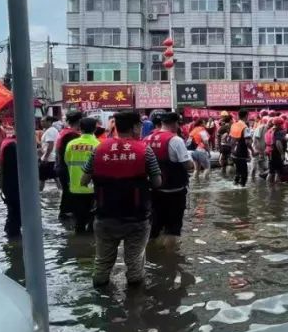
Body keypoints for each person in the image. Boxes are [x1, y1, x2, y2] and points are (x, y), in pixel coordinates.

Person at [82, 111, 161, 287]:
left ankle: (101, 303)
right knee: (134, 265)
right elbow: (157, 182)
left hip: (105, 216)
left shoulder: (99, 149)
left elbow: (84, 180)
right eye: (140, 125)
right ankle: (135, 307)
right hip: (136, 217)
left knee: (102, 264)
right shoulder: (145, 151)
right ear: (134, 127)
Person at [145, 111, 194, 242]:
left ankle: (150, 259)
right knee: (172, 230)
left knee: (153, 227)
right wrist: (193, 163)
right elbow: (187, 165)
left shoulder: (147, 139)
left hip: (153, 191)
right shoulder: (175, 140)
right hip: (174, 191)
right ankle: (171, 260)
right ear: (175, 123)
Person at [64, 117, 102, 233]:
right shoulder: (98, 144)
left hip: (75, 186)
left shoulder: (71, 144)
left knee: (79, 220)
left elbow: (67, 161)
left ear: (80, 128)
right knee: (93, 218)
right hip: (92, 187)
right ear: (95, 129)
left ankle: (79, 240)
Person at [53, 109, 85, 220]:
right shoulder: (72, 135)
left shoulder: (64, 132)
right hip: (66, 168)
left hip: (60, 167)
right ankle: (67, 214)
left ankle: (65, 214)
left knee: (67, 191)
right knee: (69, 192)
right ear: (80, 121)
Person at [0, 132, 21, 239]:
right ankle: (13, 237)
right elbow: (15, 168)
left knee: (13, 211)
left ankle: (12, 236)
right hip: (13, 184)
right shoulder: (12, 146)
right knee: (15, 212)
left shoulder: (8, 142)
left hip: (7, 183)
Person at [38, 116, 61, 191]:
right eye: (41, 121)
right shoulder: (52, 130)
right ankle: (61, 191)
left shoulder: (50, 131)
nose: (41, 123)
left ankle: (39, 194)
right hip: (52, 158)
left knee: (41, 178)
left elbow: (50, 145)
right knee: (56, 177)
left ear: (49, 122)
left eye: (43, 121)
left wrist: (45, 157)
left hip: (48, 159)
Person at [230, 114, 252, 187]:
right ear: (246, 116)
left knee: (238, 171)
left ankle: (235, 186)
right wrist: (253, 151)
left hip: (234, 152)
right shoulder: (245, 127)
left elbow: (231, 139)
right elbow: (247, 142)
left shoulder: (233, 125)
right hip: (241, 151)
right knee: (244, 173)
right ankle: (242, 190)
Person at [268, 118, 287, 184]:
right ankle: (277, 188)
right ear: (280, 124)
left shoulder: (271, 130)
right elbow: (278, 143)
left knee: (271, 171)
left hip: (270, 152)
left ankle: (268, 186)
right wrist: (282, 154)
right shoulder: (280, 131)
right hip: (277, 153)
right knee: (278, 172)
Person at [252, 116, 269, 181]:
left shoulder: (268, 129)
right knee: (254, 168)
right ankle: (252, 181)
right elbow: (256, 140)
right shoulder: (260, 128)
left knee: (265, 168)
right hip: (257, 151)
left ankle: (263, 182)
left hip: (263, 151)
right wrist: (260, 151)